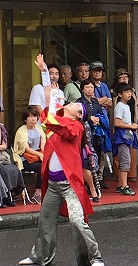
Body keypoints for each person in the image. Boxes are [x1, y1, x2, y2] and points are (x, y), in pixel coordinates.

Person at [18, 55, 104, 265]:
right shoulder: (57, 121)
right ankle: (40, 256)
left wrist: (54, 100)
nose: (72, 104)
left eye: (75, 106)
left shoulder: (75, 127)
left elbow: (52, 119)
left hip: (69, 185)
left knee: (77, 220)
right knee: (45, 221)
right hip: (54, 184)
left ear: (77, 115)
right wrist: (45, 74)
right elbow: (49, 106)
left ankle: (94, 257)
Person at [76, 78, 105, 202]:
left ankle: (96, 181)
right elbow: (78, 117)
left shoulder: (95, 101)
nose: (90, 90)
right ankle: (88, 185)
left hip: (96, 134)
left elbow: (101, 114)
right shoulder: (79, 102)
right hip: (85, 136)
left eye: (92, 87)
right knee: (86, 160)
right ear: (82, 89)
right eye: (87, 87)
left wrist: (98, 119)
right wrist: (89, 118)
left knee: (96, 157)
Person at [111, 68, 138, 184]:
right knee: (124, 160)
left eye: (130, 92)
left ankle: (123, 184)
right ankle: (123, 185)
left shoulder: (127, 105)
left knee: (128, 159)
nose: (129, 94)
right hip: (122, 136)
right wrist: (131, 126)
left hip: (128, 135)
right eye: (127, 92)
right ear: (120, 94)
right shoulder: (119, 105)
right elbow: (116, 123)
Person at [13, 106, 46, 204]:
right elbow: (26, 148)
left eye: (35, 116)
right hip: (25, 159)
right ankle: (38, 193)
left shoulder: (39, 129)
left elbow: (43, 144)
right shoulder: (21, 131)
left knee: (49, 165)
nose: (33, 119)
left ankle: (47, 191)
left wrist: (43, 154)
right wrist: (39, 155)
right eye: (30, 117)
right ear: (25, 119)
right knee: (42, 167)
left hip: (38, 156)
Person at [0, 123, 25, 205]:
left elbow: (4, 146)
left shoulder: (1, 127)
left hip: (2, 156)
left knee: (14, 168)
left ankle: (13, 192)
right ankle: (6, 197)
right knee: (4, 170)